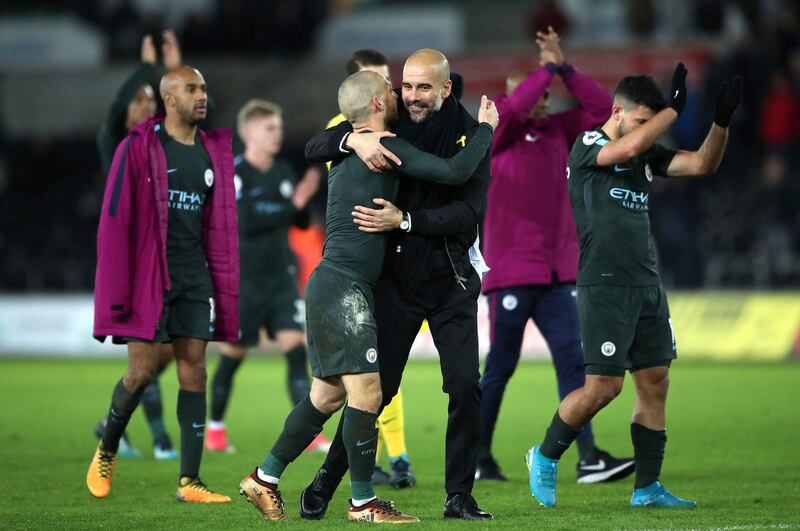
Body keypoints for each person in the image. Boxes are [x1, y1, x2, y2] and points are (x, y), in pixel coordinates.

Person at [238, 70, 498, 523]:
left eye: (414, 88)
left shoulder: (356, 143)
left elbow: (323, 143)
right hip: (346, 287)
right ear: (378, 103)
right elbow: (455, 171)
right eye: (394, 91)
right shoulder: (382, 144)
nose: (401, 95)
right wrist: (489, 129)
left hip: (335, 283)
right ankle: (363, 502)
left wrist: (352, 140)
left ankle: (264, 478)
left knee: (326, 396)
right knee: (368, 393)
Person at [526, 64, 742, 508]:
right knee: (604, 388)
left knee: (655, 380)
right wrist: (676, 112)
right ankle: (545, 455)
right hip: (603, 284)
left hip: (645, 282)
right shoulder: (590, 144)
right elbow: (628, 147)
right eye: (644, 121)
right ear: (617, 112)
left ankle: (646, 488)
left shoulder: (642, 151)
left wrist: (720, 122)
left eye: (653, 122)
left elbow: (703, 163)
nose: (650, 131)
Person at [478, 26, 633, 483]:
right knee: (500, 369)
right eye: (533, 92)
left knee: (575, 364)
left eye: (548, 91)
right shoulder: (499, 133)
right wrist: (543, 70)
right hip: (510, 273)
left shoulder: (563, 131)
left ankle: (588, 458)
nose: (539, 98)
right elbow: (513, 108)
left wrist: (563, 66)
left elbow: (604, 110)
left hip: (557, 274)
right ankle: (478, 456)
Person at [87, 66, 239, 503]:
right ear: (169, 99)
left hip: (195, 275)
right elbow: (115, 221)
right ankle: (108, 448)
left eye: (204, 88)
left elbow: (218, 225)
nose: (202, 96)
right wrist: (117, 285)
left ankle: (189, 481)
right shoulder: (140, 146)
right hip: (149, 276)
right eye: (192, 89)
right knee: (141, 372)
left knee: (195, 370)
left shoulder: (212, 153)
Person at [206, 99, 327, 453]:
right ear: (249, 133)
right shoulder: (235, 174)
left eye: (279, 128)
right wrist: (292, 206)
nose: (278, 134)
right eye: (270, 128)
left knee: (294, 349)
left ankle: (307, 434)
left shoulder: (283, 173)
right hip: (245, 280)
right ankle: (215, 430)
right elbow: (248, 222)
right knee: (235, 353)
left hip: (280, 278)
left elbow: (300, 223)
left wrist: (301, 206)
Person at [324, 48, 416, 488]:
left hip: (388, 266)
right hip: (355, 270)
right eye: (379, 81)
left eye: (389, 79)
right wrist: (352, 139)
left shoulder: (397, 124)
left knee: (375, 377)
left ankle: (392, 457)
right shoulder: (346, 130)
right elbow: (315, 145)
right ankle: (365, 478)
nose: (391, 89)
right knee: (359, 383)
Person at [93, 31, 183, 461]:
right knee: (144, 365)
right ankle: (158, 437)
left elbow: (188, 111)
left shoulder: (165, 145)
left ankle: (111, 423)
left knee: (163, 359)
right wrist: (147, 67)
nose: (148, 106)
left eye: (153, 100)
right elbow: (113, 114)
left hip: (171, 264)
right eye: (140, 101)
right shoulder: (117, 145)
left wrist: (173, 67)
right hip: (136, 266)